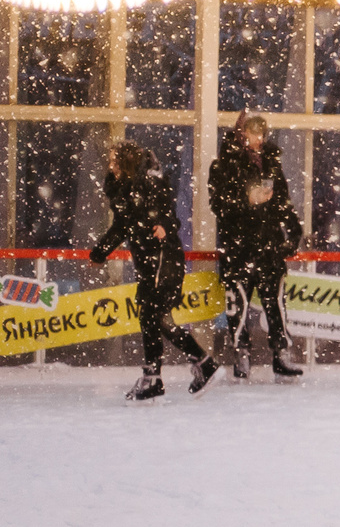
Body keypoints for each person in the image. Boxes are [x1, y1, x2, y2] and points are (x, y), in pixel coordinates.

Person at [91, 142, 217, 400]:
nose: (111, 165)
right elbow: (124, 225)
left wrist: (163, 225)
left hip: (163, 259)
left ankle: (163, 374)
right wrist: (101, 251)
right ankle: (181, 369)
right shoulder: (126, 191)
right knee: (154, 317)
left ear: (125, 163)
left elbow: (168, 214)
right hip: (151, 261)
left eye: (115, 161)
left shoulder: (147, 183)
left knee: (153, 315)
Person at [208, 113, 304, 382]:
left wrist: (293, 232)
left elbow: (283, 201)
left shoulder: (272, 164)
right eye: (253, 133)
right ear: (242, 134)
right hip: (239, 248)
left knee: (276, 303)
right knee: (237, 304)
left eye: (262, 133)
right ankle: (242, 353)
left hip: (268, 247)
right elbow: (218, 204)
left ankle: (281, 354)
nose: (259, 139)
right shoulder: (223, 166)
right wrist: (246, 199)